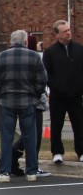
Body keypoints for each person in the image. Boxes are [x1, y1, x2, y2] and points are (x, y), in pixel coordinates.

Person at [0, 30, 47, 183]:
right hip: (28, 101)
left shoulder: (1, 57)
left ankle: (4, 172)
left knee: (6, 138)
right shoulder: (34, 56)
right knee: (30, 137)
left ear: (11, 41)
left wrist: (0, 94)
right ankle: (31, 171)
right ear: (25, 42)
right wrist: (35, 94)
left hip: (7, 101)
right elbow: (42, 79)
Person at [42, 20, 83, 164]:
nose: (68, 33)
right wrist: (55, 86)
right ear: (57, 34)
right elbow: (46, 74)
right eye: (65, 31)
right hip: (57, 96)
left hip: (76, 95)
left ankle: (81, 151)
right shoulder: (50, 52)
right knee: (56, 124)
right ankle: (57, 152)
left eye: (69, 30)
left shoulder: (79, 49)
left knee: (79, 124)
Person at [11, 34, 50, 177]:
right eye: (37, 43)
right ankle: (30, 164)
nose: (40, 45)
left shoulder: (17, 58)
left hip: (22, 101)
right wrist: (39, 95)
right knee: (34, 135)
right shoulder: (34, 58)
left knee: (29, 133)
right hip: (34, 102)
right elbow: (41, 79)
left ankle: (15, 155)